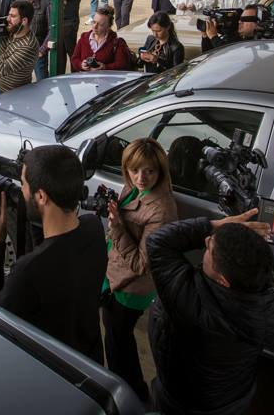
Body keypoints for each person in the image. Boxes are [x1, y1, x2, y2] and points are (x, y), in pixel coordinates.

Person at [147, 210, 274, 414]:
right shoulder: (268, 296)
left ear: (223, 281)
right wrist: (233, 236)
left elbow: (158, 240)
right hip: (233, 395)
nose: (206, 240)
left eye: (210, 248)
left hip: (186, 404)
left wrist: (213, 225)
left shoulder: (194, 309)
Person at [0, 144, 107, 363]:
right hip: (91, 360)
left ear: (41, 196)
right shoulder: (93, 228)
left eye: (23, 184)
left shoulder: (28, 272)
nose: (21, 191)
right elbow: (54, 250)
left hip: (57, 372)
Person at [103, 138, 179, 401]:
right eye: (134, 170)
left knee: (118, 340)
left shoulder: (162, 210)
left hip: (131, 287)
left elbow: (140, 264)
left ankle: (131, 395)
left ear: (160, 171)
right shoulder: (132, 188)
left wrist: (116, 227)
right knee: (116, 335)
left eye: (149, 171)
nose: (141, 178)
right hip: (116, 274)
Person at [0, 0, 39, 95]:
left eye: (13, 16)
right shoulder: (12, 31)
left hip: (14, 93)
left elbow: (2, 70)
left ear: (24, 21)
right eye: (9, 15)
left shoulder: (28, 46)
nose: (7, 19)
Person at [71, 5, 132, 72]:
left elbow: (122, 64)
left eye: (100, 25)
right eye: (94, 22)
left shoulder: (117, 42)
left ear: (108, 26)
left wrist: (105, 67)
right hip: (86, 78)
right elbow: (74, 59)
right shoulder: (84, 38)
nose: (95, 26)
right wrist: (81, 65)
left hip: (106, 78)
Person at [22, 0, 50, 81]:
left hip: (37, 50)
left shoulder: (45, 4)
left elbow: (52, 29)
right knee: (21, 83)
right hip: (20, 49)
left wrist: (42, 50)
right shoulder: (18, 2)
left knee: (43, 82)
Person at [60, 0, 83, 64]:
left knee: (72, 53)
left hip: (69, 24)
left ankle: (75, 72)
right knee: (60, 54)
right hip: (61, 22)